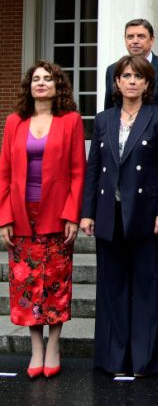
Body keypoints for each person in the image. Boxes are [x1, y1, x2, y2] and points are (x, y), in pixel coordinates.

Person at [81, 55, 158, 376]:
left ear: (148, 83)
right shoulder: (103, 119)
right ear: (117, 83)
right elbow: (93, 168)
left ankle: (146, 359)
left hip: (147, 215)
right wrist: (87, 212)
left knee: (147, 286)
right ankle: (113, 358)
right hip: (109, 213)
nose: (132, 81)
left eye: (138, 76)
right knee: (112, 286)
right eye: (126, 76)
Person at [0, 61, 84, 379]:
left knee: (55, 283)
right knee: (27, 285)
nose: (41, 83)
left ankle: (54, 346)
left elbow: (78, 172)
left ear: (57, 86)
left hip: (56, 215)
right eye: (35, 79)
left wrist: (72, 216)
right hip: (21, 216)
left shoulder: (71, 121)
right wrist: (4, 216)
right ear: (29, 87)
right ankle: (36, 348)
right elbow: (4, 172)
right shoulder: (14, 122)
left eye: (47, 79)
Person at [104, 18, 158, 161]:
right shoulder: (113, 70)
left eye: (141, 36)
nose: (135, 41)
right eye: (130, 36)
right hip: (124, 148)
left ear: (152, 40)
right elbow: (110, 109)